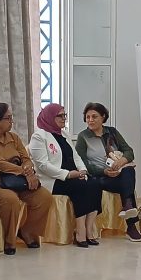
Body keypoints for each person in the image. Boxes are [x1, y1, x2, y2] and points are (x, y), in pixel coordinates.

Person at [0, 102, 52, 256]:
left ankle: (27, 231)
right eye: (8, 118)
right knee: (10, 199)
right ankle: (9, 241)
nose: (11, 121)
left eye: (11, 118)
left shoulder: (14, 138)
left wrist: (28, 169)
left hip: (16, 181)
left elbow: (26, 158)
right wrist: (26, 173)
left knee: (44, 197)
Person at [29, 103, 104, 247]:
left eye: (65, 115)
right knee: (80, 187)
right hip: (53, 179)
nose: (64, 118)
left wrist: (83, 170)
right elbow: (43, 165)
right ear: (50, 117)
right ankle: (80, 231)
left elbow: (76, 156)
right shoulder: (39, 136)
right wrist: (68, 174)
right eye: (60, 116)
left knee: (95, 184)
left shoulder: (64, 134)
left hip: (72, 175)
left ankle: (89, 230)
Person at [75, 102, 141, 242]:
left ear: (103, 117)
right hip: (98, 177)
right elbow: (82, 163)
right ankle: (131, 224)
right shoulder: (83, 137)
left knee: (129, 171)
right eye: (87, 117)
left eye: (94, 117)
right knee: (127, 186)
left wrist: (121, 161)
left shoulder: (112, 132)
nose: (90, 120)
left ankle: (127, 207)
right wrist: (104, 171)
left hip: (118, 174)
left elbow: (129, 151)